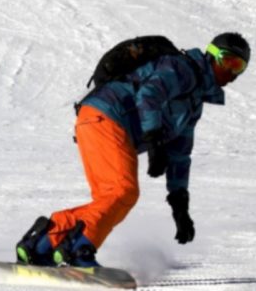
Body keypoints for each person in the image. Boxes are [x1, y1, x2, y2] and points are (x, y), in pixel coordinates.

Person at [15, 33, 250, 267]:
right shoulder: (183, 69)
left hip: (97, 121)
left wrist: (180, 205)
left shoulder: (194, 102)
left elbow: (180, 153)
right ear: (212, 55)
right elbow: (149, 95)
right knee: (123, 192)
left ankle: (42, 245)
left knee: (111, 200)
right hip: (106, 116)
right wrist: (154, 138)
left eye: (240, 67)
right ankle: (78, 251)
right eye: (229, 62)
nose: (233, 73)